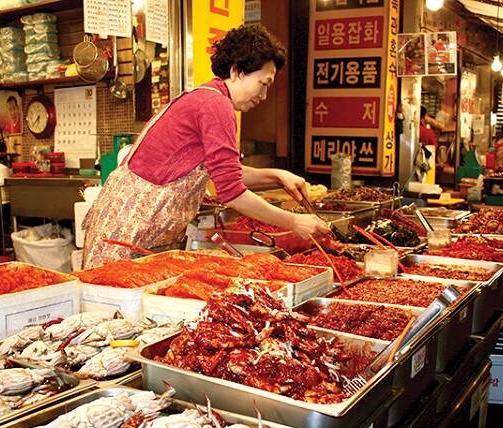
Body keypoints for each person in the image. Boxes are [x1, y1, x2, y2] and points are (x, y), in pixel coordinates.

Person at [83, 24, 329, 268]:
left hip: (134, 230)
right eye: (263, 83)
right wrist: (294, 222)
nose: (264, 96)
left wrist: (275, 176)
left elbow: (225, 173)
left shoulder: (206, 97)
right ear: (237, 71)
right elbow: (232, 193)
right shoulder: (215, 105)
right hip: (127, 232)